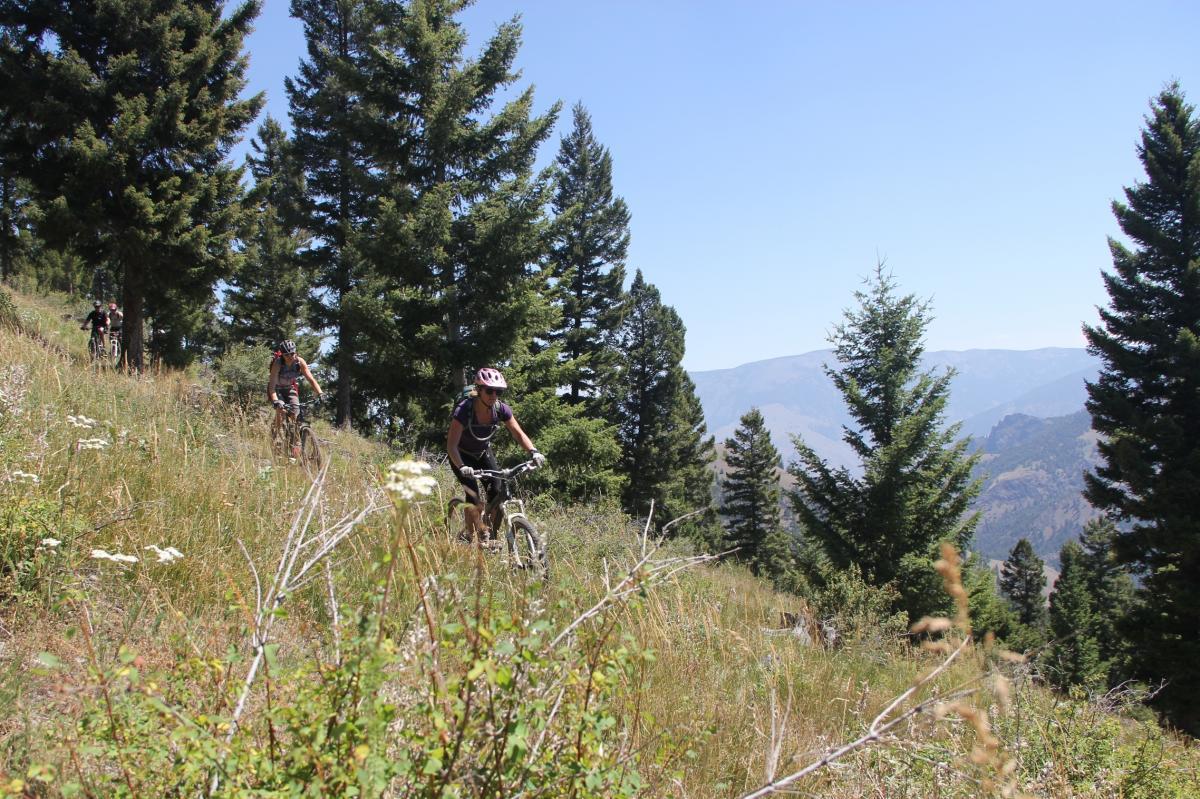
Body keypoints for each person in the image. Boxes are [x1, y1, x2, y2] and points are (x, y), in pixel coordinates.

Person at [447, 367, 545, 541]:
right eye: (489, 390)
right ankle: (469, 537)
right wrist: (462, 466)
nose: (494, 395)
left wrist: (533, 452)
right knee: (473, 496)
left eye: (498, 391)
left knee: (498, 492)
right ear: (478, 390)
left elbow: (518, 433)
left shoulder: (500, 409)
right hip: (461, 455)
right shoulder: (464, 410)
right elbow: (452, 445)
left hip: (482, 452)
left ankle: (490, 534)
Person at [267, 340, 323, 456]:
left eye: (292, 353)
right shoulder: (278, 363)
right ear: (282, 354)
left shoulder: (299, 362)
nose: (290, 357)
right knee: (281, 411)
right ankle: (275, 434)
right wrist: (276, 401)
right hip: (277, 389)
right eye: (287, 354)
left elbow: (311, 379)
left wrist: (320, 393)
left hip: (290, 388)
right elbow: (271, 386)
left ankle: (293, 443)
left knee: (295, 414)